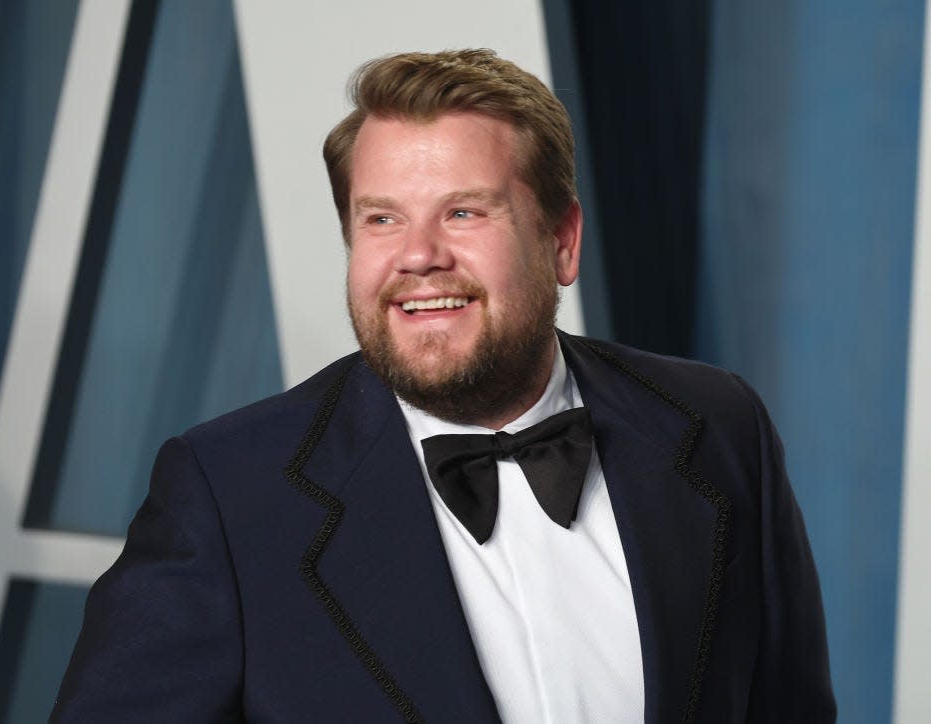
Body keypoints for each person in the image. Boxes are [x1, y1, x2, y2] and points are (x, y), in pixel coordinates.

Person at [51, 49, 835, 723]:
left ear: (561, 243)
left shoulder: (717, 427)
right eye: (381, 220)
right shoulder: (230, 494)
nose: (418, 256)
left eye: (463, 211)